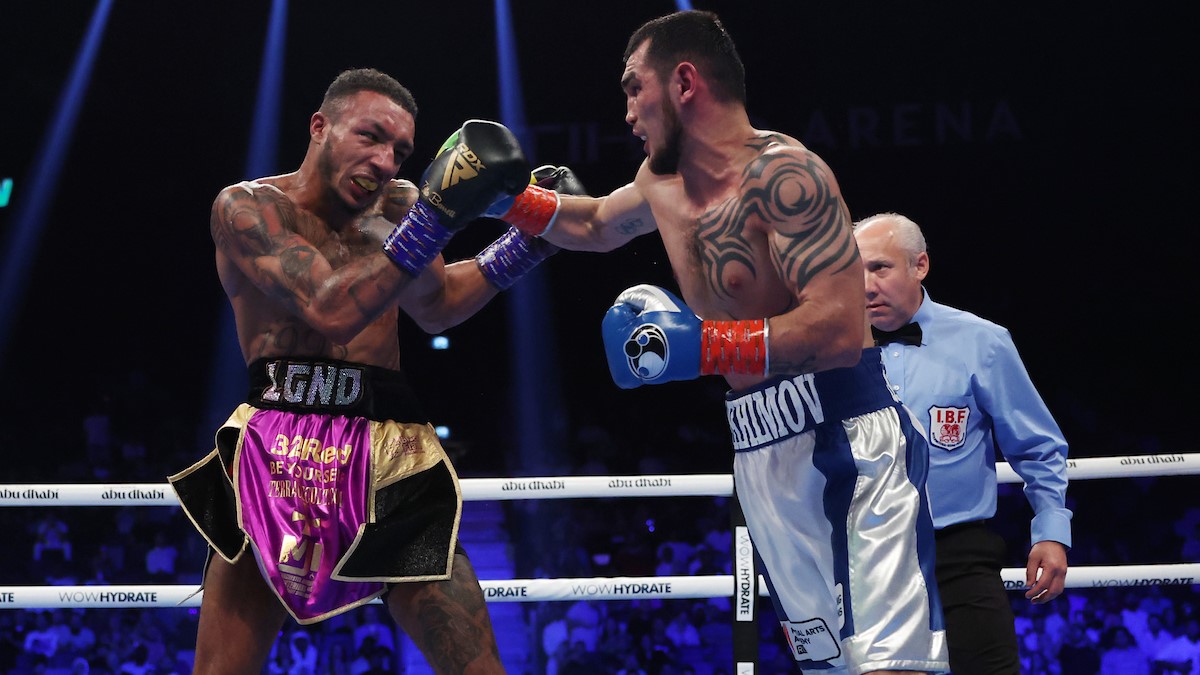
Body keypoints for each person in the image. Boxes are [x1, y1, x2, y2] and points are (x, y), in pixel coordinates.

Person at [485, 10, 947, 673]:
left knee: (890, 666)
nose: (627, 113)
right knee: (829, 665)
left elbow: (840, 331)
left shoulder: (786, 176)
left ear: (683, 82)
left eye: (634, 88)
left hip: (848, 441)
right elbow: (595, 224)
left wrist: (703, 347)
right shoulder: (659, 182)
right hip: (760, 449)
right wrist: (505, 198)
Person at [168, 67, 581, 673]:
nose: (386, 161)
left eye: (401, 151)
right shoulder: (248, 209)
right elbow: (329, 308)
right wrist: (436, 216)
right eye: (370, 136)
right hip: (271, 458)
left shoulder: (398, 207)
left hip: (389, 455)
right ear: (320, 127)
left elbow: (436, 305)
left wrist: (525, 246)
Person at [853, 212, 1071, 674]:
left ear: (920, 265)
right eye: (856, 271)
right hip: (865, 559)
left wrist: (1051, 530)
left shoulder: (981, 341)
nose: (867, 286)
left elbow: (1037, 446)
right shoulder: (828, 349)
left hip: (959, 555)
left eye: (880, 267)